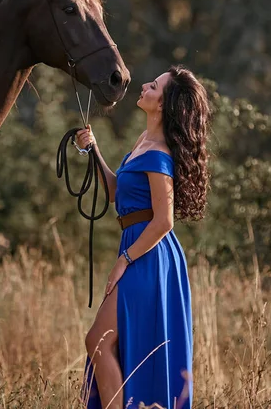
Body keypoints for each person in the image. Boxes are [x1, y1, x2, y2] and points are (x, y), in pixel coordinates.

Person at [77, 65, 211, 409]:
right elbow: (113, 191)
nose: (144, 87)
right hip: (139, 248)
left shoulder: (158, 153)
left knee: (99, 340)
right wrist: (93, 150)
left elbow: (164, 221)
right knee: (107, 343)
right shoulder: (143, 143)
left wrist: (124, 260)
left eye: (153, 87)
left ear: (164, 105)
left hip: (149, 255)